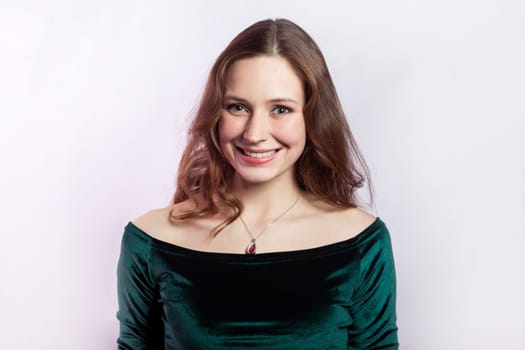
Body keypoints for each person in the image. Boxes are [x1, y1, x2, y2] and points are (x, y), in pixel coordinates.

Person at [117, 18, 398, 349]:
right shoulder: (150, 240)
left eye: (281, 109)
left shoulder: (361, 242)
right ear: (215, 115)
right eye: (237, 107)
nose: (254, 133)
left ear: (313, 117)